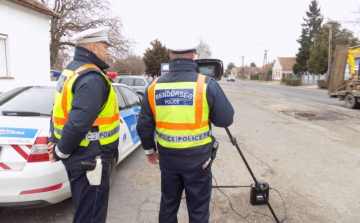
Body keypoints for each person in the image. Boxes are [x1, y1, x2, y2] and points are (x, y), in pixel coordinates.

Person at [136, 46, 234, 223]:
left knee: (168, 205)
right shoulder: (206, 84)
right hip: (198, 161)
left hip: (168, 159)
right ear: (193, 56)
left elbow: (143, 125)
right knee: (198, 210)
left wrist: (150, 151)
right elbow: (225, 120)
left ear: (171, 56)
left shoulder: (154, 86)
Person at [47, 27, 120, 223]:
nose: (107, 51)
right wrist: (60, 150)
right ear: (93, 47)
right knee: (91, 215)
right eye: (105, 46)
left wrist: (54, 139)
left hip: (80, 155)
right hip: (91, 157)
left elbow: (57, 108)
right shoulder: (91, 77)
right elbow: (79, 123)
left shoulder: (71, 70)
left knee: (84, 210)